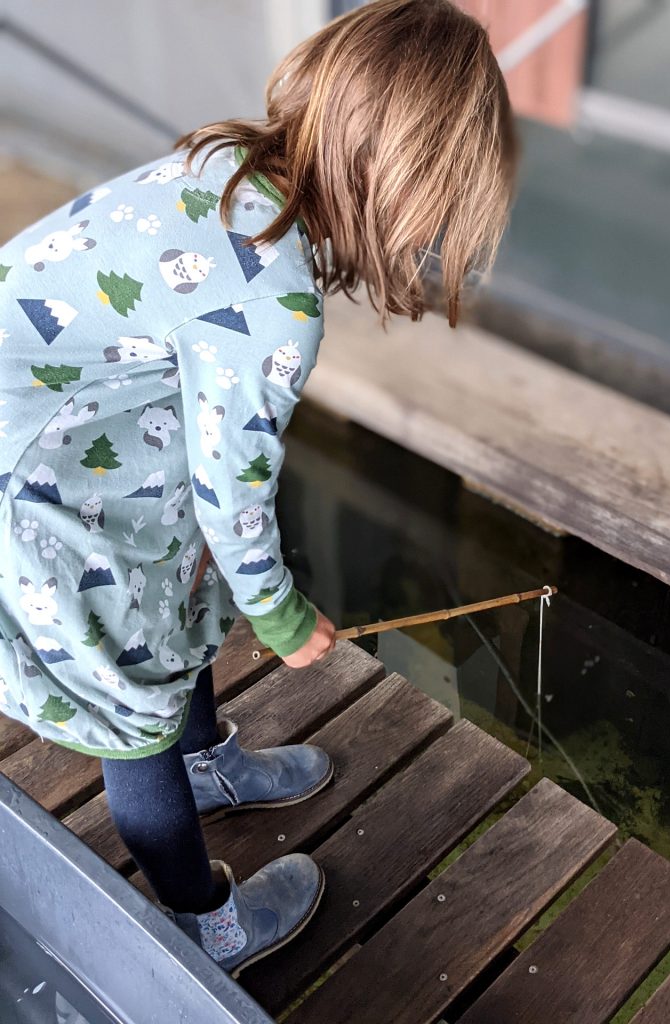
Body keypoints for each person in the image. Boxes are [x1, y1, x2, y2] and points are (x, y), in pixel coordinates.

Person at [0, 0, 518, 978]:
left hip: (71, 433)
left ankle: (207, 766)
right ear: (403, 186)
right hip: (33, 488)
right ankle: (202, 925)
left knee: (174, 592)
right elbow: (232, 502)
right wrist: (281, 617)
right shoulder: (274, 305)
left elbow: (198, 486)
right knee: (131, 696)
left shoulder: (224, 164)